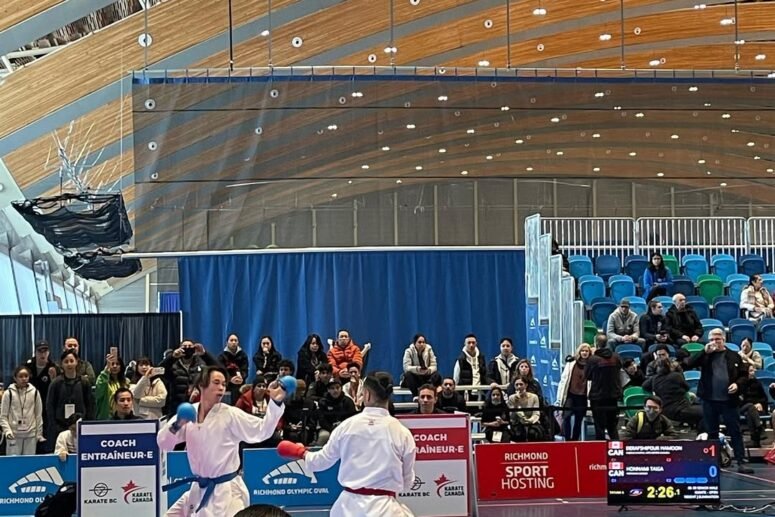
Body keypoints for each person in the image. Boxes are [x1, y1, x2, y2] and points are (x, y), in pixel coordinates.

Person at [277, 372, 416, 517]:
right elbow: (407, 481)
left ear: (366, 394)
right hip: (387, 509)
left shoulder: (347, 426)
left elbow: (320, 462)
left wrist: (301, 452)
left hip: (348, 509)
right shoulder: (402, 432)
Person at [158, 365, 287, 517]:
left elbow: (262, 430)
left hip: (228, 492)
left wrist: (275, 403)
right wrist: (178, 423)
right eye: (216, 382)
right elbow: (163, 443)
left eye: (224, 384)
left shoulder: (230, 414)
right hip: (199, 489)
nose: (221, 387)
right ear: (202, 385)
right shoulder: (189, 412)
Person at [685, 328, 753, 473]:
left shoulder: (734, 356)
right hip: (709, 400)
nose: (714, 342)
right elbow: (688, 364)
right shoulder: (705, 356)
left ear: (724, 340)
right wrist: (704, 351)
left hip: (729, 401)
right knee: (712, 432)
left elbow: (744, 375)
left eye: (717, 339)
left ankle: (741, 461)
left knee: (735, 431)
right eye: (711, 339)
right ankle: (713, 462)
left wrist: (738, 384)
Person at [0, 366, 44, 455]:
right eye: (21, 376)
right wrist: (7, 431)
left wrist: (39, 434)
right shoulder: (8, 393)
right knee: (13, 463)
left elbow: (38, 415)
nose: (24, 379)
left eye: (26, 376)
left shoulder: (35, 392)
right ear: (15, 378)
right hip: (14, 435)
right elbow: (3, 416)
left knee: (29, 465)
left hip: (30, 435)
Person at [585, 337, 623, 440]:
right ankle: (616, 449)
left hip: (598, 397)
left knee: (599, 427)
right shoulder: (616, 357)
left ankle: (600, 451)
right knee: (612, 427)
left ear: (595, 343)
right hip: (613, 396)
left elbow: (587, 376)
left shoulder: (593, 359)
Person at [556, 343, 591, 441]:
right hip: (570, 395)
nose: (584, 353)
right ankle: (567, 439)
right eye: (582, 351)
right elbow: (563, 380)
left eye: (586, 351)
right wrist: (559, 397)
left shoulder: (591, 365)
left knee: (578, 420)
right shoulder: (571, 363)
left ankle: (575, 439)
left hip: (583, 397)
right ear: (579, 352)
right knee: (566, 417)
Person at [95, 351, 129, 420]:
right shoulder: (102, 379)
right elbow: (98, 391)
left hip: (123, 417)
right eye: (112, 364)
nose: (114, 366)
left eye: (117, 364)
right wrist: (106, 369)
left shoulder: (126, 381)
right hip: (106, 417)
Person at [218, 334, 248, 404]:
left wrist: (241, 378)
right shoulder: (222, 356)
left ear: (238, 342)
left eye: (235, 340)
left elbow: (245, 370)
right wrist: (230, 379)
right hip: (227, 382)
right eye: (231, 340)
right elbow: (221, 371)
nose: (234, 342)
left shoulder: (243, 355)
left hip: (240, 382)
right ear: (227, 343)